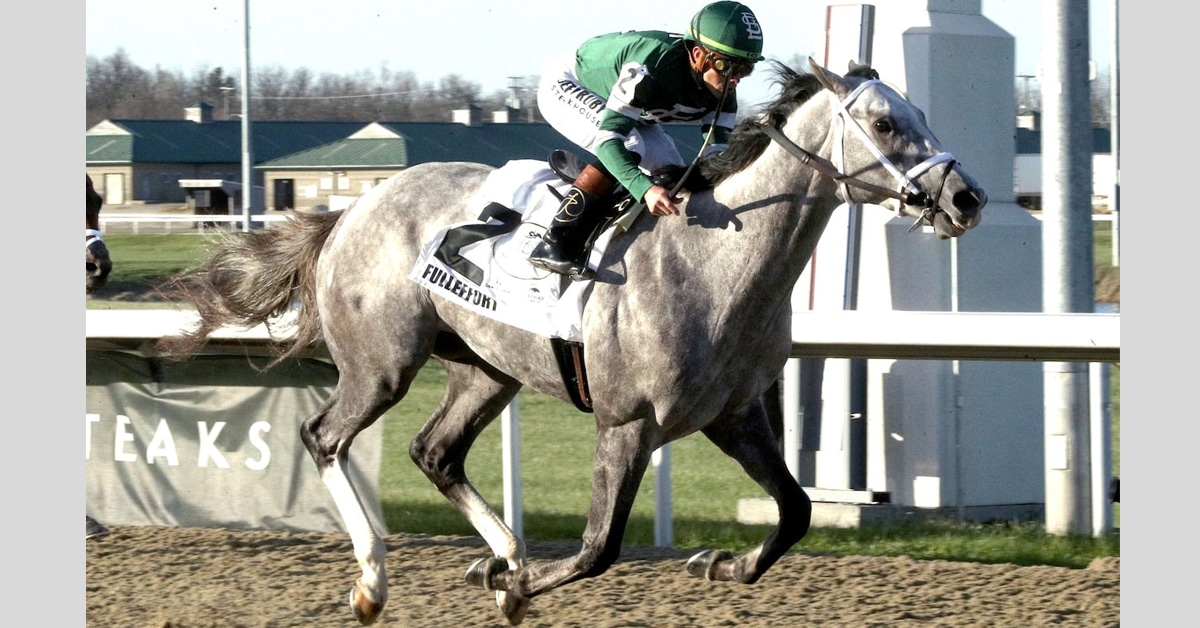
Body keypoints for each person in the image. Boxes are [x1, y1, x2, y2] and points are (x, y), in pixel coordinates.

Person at [529, 1, 765, 277]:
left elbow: (716, 157)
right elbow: (609, 139)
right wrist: (644, 189)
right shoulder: (650, 65)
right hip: (570, 84)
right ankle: (555, 242)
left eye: (745, 70)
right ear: (698, 54)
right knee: (631, 147)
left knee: (674, 175)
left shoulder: (724, 89)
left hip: (631, 112)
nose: (736, 79)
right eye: (728, 66)